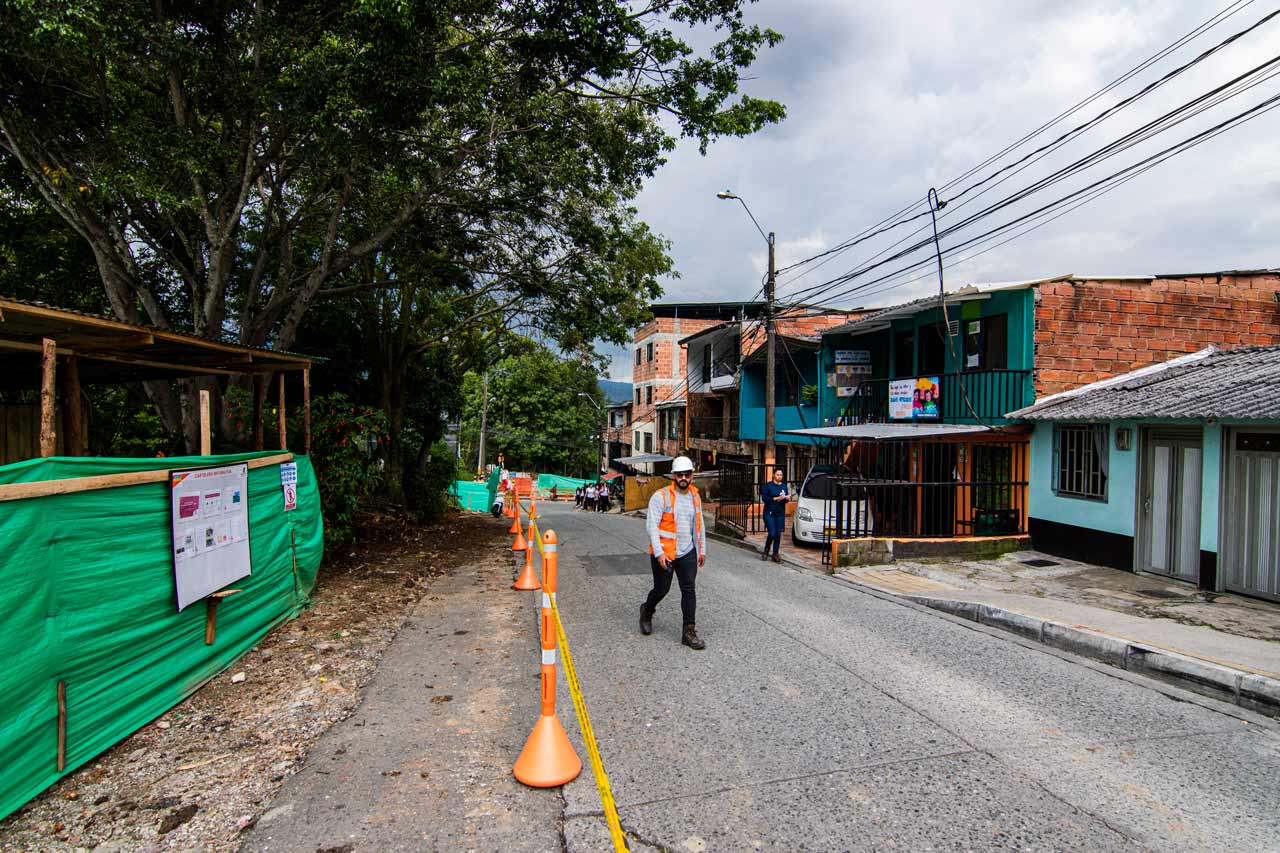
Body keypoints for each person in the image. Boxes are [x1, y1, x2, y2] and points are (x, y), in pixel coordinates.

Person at [640, 456, 707, 650]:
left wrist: (702, 549)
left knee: (689, 589)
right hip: (665, 553)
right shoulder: (661, 497)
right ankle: (647, 610)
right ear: (673, 476)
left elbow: (699, 524)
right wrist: (659, 553)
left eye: (687, 474)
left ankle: (688, 631)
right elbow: (652, 527)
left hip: (687, 552)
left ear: (692, 476)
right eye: (680, 474)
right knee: (662, 589)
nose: (683, 477)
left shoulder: (695, 496)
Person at [761, 467, 789, 563]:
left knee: (778, 534)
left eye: (781, 475)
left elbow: (784, 500)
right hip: (769, 513)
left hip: (780, 513)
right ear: (773, 475)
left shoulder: (784, 486)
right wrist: (776, 498)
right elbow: (765, 499)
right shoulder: (768, 486)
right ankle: (766, 549)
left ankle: (775, 554)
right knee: (772, 533)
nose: (779, 476)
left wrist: (786, 498)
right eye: (777, 474)